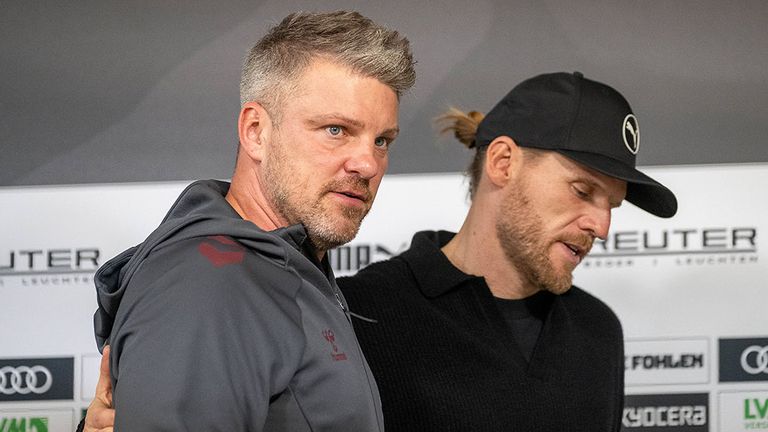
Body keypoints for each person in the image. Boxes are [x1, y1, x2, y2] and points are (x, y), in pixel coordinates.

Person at [83, 72, 677, 431]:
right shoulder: (361, 309)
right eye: (583, 191)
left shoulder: (601, 331)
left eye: (613, 205)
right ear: (502, 162)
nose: (601, 224)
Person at [78, 10, 415, 432]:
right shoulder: (207, 284)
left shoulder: (279, 265)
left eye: (382, 140)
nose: (368, 163)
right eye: (335, 130)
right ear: (256, 131)